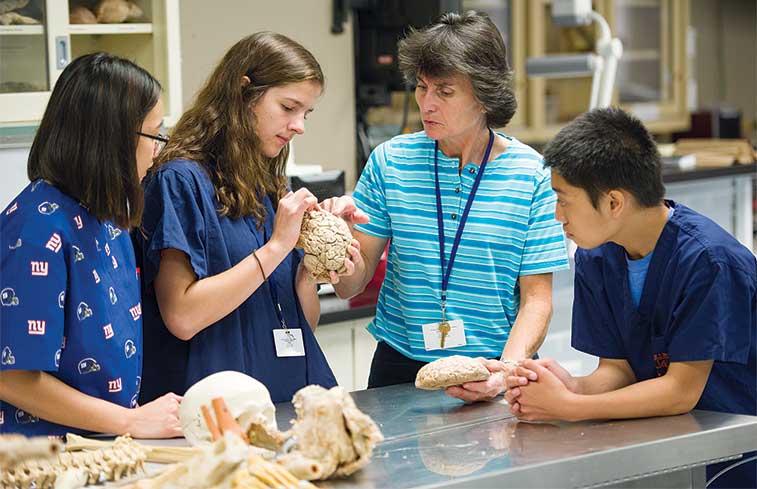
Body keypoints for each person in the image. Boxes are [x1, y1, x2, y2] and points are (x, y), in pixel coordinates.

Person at [505, 107, 756, 488]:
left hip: (737, 444)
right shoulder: (597, 257)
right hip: (673, 439)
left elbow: (679, 392)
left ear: (613, 202)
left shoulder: (709, 262)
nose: (558, 216)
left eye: (564, 200)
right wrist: (568, 386)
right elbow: (618, 370)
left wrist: (571, 407)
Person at [324, 11, 569, 399]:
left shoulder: (532, 175)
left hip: (496, 363)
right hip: (400, 365)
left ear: (484, 94)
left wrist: (504, 374)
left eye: (445, 91)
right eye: (422, 88)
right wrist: (337, 250)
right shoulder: (391, 161)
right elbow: (351, 284)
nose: (427, 104)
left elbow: (537, 300)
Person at [136, 32, 356, 405]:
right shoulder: (179, 180)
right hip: (216, 410)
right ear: (243, 93)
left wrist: (309, 270)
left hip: (288, 395)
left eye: (306, 112)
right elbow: (183, 316)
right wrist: (277, 247)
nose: (299, 125)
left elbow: (303, 323)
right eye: (288, 107)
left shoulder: (268, 181)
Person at [0, 53, 181, 438]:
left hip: (102, 446)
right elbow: (12, 377)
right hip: (41, 461)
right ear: (110, 140)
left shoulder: (108, 219)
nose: (158, 150)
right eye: (155, 134)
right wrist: (131, 421)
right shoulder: (36, 229)